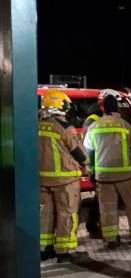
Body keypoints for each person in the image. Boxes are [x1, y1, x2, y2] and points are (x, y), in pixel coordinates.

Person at [85, 95, 131, 248]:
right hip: (126, 175)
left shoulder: (94, 127)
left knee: (107, 210)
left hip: (104, 176)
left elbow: (89, 153)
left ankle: (111, 239)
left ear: (103, 108)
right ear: (117, 108)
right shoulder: (126, 125)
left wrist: (92, 172)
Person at [38, 89, 89, 263]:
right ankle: (64, 251)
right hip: (65, 180)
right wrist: (86, 164)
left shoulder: (36, 125)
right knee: (66, 214)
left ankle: (45, 249)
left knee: (46, 214)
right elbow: (80, 154)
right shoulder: (64, 127)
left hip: (42, 179)